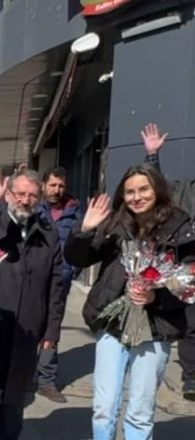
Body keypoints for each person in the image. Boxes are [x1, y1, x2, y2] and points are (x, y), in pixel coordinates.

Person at [65, 165, 194, 440]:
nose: (136, 197)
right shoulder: (115, 222)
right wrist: (85, 229)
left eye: (143, 189)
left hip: (156, 327)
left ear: (157, 190)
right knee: (103, 406)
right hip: (113, 323)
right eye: (130, 192)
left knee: (140, 410)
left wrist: (156, 296)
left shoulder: (179, 226)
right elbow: (79, 259)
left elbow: (189, 279)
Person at [0, 165, 65, 440]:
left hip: (27, 328)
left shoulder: (48, 232)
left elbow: (56, 285)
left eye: (31, 195)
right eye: (19, 194)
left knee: (14, 398)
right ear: (9, 195)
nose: (25, 200)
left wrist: (51, 331)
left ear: (39, 199)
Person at [140, 122, 195, 401]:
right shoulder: (185, 190)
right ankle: (192, 378)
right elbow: (159, 192)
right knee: (191, 322)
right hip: (188, 265)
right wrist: (152, 157)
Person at [30, 167, 83, 403]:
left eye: (60, 185)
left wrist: (71, 269)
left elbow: (81, 243)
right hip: (33, 279)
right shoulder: (34, 208)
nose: (57, 190)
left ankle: (46, 381)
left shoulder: (74, 211)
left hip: (60, 280)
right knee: (29, 325)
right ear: (44, 185)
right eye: (52, 185)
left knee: (52, 328)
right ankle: (23, 374)